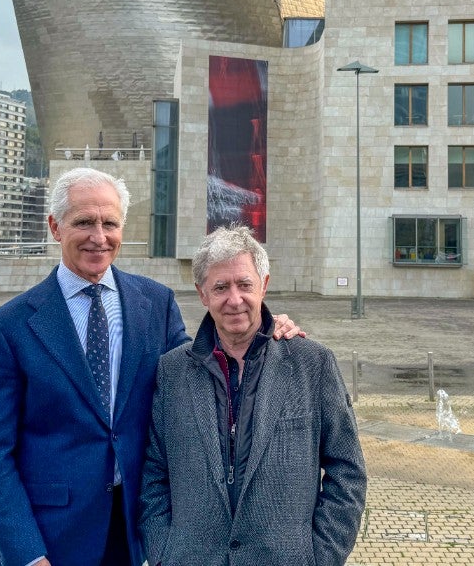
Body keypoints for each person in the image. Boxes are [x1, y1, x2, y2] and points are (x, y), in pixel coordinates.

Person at [0, 168, 300, 566]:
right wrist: (26, 554)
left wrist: (264, 327)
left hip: (130, 535)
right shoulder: (9, 326)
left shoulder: (156, 304)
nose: (99, 236)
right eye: (84, 222)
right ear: (55, 227)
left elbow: (198, 370)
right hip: (47, 540)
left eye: (110, 223)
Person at [140, 225, 367, 566]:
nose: (234, 300)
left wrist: (321, 557)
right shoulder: (172, 372)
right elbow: (154, 474)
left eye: (244, 284)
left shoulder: (312, 364)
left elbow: (347, 470)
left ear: (264, 285)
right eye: (220, 287)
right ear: (202, 294)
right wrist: (162, 553)